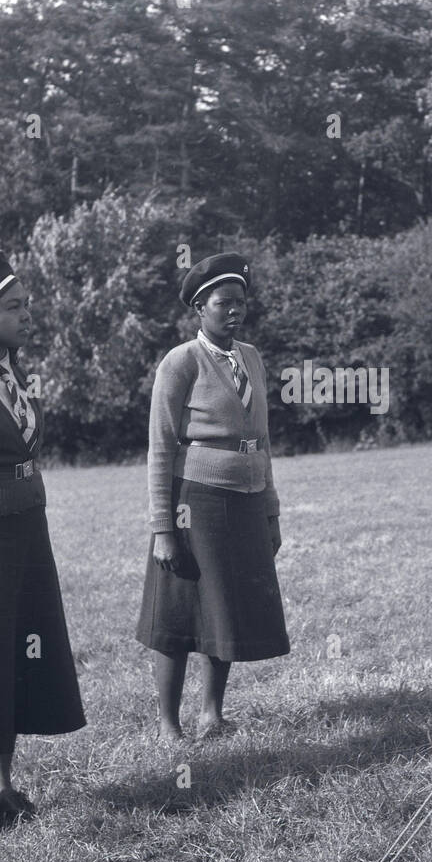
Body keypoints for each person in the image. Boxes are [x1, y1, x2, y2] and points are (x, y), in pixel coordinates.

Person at [136, 252, 289, 741]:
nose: (234, 311)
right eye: (223, 303)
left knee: (226, 606)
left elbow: (263, 439)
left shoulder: (253, 358)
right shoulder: (180, 362)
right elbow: (160, 447)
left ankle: (212, 714)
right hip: (194, 501)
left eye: (240, 302)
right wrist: (163, 528)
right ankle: (167, 725)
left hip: (245, 495)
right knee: (180, 611)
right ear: (199, 308)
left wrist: (270, 511)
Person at [0, 251, 86, 840]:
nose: (26, 315)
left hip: (24, 524)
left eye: (25, 305)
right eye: (14, 308)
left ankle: (1, 784)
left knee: (14, 650)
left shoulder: (9, 370)